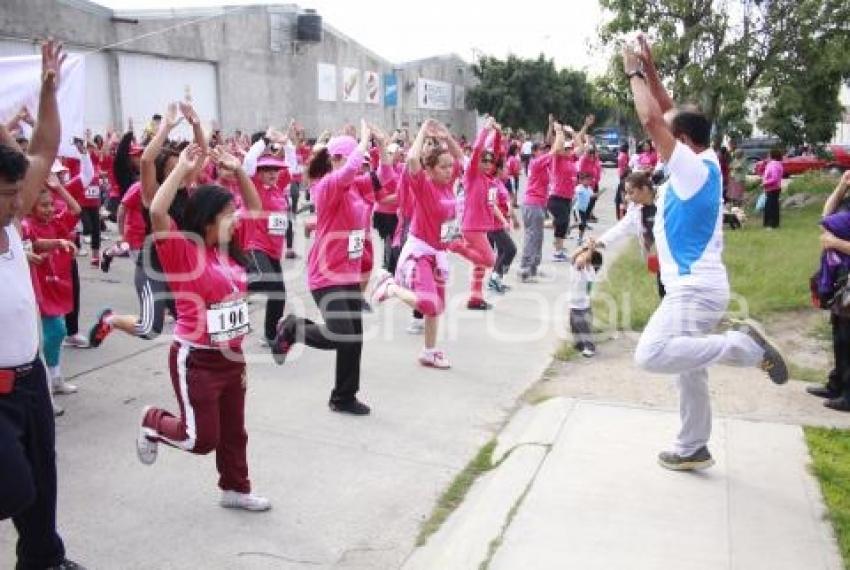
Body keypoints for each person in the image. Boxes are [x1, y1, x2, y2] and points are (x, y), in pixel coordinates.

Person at [591, 33, 790, 472]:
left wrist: (631, 71)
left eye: (670, 128)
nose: (661, 129)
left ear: (680, 138)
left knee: (652, 354)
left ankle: (743, 347)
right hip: (699, 286)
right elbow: (664, 111)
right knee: (689, 369)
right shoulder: (702, 161)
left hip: (693, 290)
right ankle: (692, 446)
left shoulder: (689, 168)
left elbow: (650, 118)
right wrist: (650, 65)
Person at [137, 142, 271, 511]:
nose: (235, 219)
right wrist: (181, 169)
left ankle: (235, 489)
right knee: (200, 439)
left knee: (234, 432)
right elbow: (158, 210)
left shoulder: (229, 247)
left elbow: (256, 209)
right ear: (208, 218)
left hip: (232, 356)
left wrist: (239, 169)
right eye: (228, 215)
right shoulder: (181, 247)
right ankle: (153, 420)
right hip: (196, 358)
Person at [0, 38, 86, 570]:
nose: (18, 204)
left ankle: (42, 560)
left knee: (42, 478)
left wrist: (48, 91)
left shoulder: (10, 229)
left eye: (17, 193)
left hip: (29, 379)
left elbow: (45, 149)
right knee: (14, 486)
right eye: (9, 195)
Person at [272, 121, 374, 415]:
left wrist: (383, 145)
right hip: (327, 275)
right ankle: (293, 327)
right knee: (340, 335)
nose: (361, 167)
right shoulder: (327, 186)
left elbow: (388, 180)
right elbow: (348, 172)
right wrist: (364, 140)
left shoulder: (355, 188)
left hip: (348, 274)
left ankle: (343, 397)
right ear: (336, 160)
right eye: (355, 160)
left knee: (353, 339)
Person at [87, 101, 206, 347]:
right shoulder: (151, 194)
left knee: (194, 320)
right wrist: (166, 128)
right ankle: (111, 319)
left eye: (183, 167)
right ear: (163, 174)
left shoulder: (186, 187)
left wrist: (196, 124)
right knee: (150, 328)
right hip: (153, 267)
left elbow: (202, 152)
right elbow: (145, 162)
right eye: (174, 169)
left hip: (180, 268)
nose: (183, 171)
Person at [369, 119, 462, 369]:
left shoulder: (449, 185)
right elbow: (412, 160)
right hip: (420, 252)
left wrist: (446, 137)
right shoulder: (424, 185)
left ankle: (429, 352)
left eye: (450, 167)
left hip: (439, 253)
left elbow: (461, 159)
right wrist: (422, 131)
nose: (449, 170)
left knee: (437, 307)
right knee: (428, 302)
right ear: (429, 169)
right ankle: (390, 287)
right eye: (443, 167)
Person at [22, 177, 83, 407]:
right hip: (38, 288)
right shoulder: (26, 226)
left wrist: (59, 188)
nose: (49, 209)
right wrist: (57, 243)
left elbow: (76, 208)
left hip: (57, 286)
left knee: (58, 332)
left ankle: (55, 377)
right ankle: (46, 386)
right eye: (43, 205)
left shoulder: (57, 222)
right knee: (52, 332)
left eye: (50, 204)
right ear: (29, 206)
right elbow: (35, 244)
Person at [808, 171, 850, 412]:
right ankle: (836, 384)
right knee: (839, 333)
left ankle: (848, 394)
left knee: (848, 338)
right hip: (842, 277)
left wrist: (836, 244)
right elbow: (826, 215)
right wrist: (841, 186)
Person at [519, 124, 565, 282]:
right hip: (532, 203)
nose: (544, 151)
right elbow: (556, 149)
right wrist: (559, 132)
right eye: (540, 149)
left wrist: (552, 129)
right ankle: (525, 269)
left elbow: (554, 149)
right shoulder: (536, 162)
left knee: (537, 237)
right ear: (534, 152)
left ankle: (533, 268)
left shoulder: (542, 163)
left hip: (538, 204)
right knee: (532, 237)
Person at [762, 148, 783, 229]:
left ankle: (771, 224)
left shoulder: (774, 165)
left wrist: (765, 183)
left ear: (772, 156)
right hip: (773, 188)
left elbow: (774, 178)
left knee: (771, 207)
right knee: (772, 206)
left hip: (772, 188)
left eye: (768, 155)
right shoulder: (775, 164)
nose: (767, 156)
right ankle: (772, 223)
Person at [573, 172, 594, 246]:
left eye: (589, 180)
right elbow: (576, 193)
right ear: (581, 181)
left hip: (584, 210)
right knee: (580, 223)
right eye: (586, 180)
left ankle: (580, 238)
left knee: (583, 225)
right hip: (577, 209)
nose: (588, 182)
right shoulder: (579, 187)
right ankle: (569, 228)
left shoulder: (589, 189)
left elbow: (592, 195)